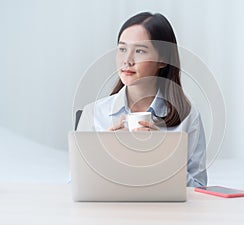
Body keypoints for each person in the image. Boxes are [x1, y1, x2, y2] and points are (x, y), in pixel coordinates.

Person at [77, 12, 207, 187]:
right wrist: (105, 156)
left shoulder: (188, 117)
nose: (127, 61)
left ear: (163, 60)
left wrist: (159, 155)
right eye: (122, 49)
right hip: (109, 213)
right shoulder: (93, 113)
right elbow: (76, 184)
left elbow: (198, 187)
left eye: (139, 51)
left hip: (166, 214)